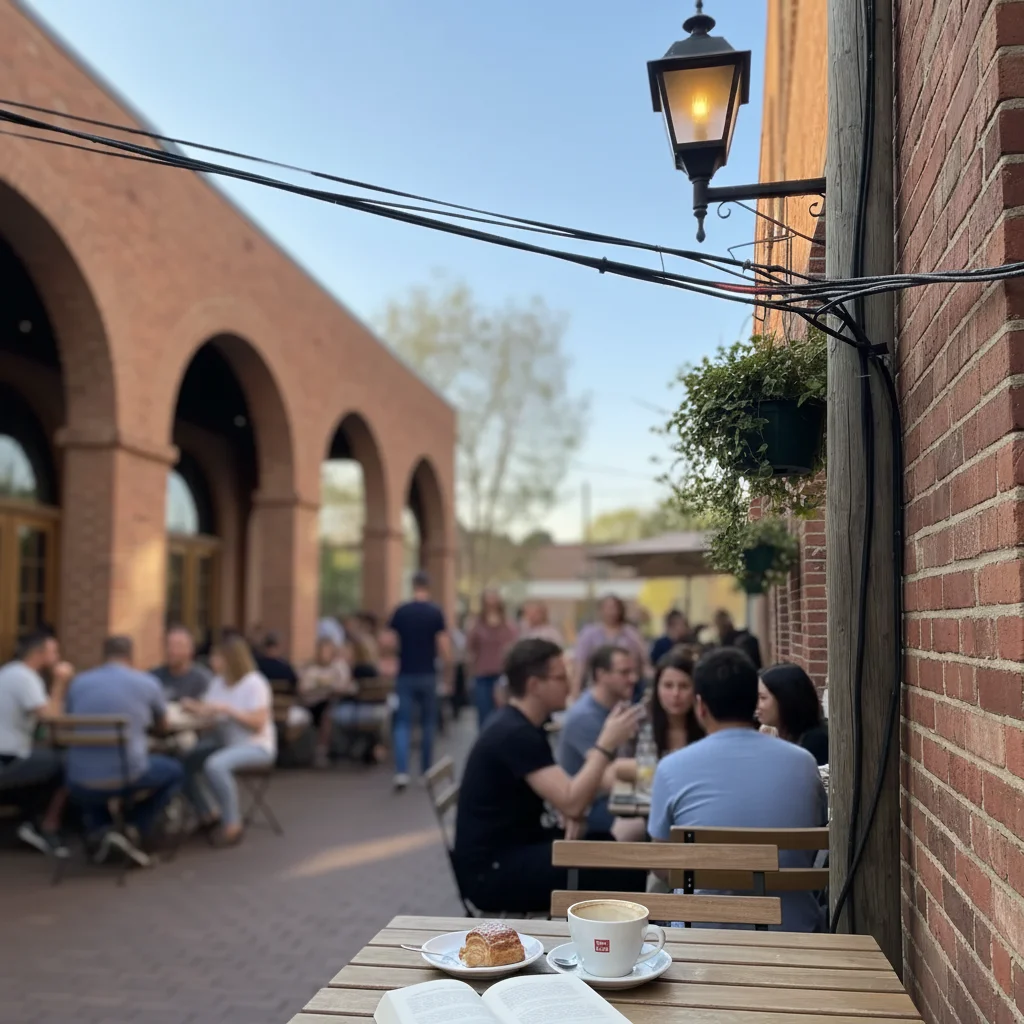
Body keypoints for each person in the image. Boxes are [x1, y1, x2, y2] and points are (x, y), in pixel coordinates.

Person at [453, 638, 646, 913]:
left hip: (516, 851)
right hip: (495, 873)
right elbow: (571, 800)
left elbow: (563, 796)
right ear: (534, 685)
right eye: (560, 677)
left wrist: (569, 808)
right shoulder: (514, 733)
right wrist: (605, 745)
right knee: (624, 867)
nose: (569, 683)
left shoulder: (521, 724)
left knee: (611, 848)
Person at [648, 647, 828, 932]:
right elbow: (811, 843)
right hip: (793, 931)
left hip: (703, 933)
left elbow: (662, 866)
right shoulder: (804, 763)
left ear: (700, 707)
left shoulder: (671, 768)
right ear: (751, 702)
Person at [64, 636, 184, 866]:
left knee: (94, 771)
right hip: (127, 775)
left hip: (78, 780)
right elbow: (163, 725)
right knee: (176, 771)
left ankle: (104, 828)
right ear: (131, 656)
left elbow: (69, 719)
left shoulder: (79, 683)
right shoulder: (147, 683)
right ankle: (135, 824)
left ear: (103, 656)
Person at [181, 635, 276, 845]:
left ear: (230, 659)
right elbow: (210, 710)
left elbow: (258, 723)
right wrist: (193, 708)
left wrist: (228, 710)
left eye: (216, 656)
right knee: (185, 762)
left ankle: (232, 823)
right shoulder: (218, 683)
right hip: (227, 744)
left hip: (256, 746)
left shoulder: (254, 683)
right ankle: (209, 813)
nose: (212, 661)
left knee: (216, 765)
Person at [0, 630, 73, 855]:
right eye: (54, 651)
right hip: (8, 757)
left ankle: (28, 821)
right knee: (67, 763)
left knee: (49, 759)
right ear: (39, 653)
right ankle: (43, 827)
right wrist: (60, 682)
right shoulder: (25, 677)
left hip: (10, 753)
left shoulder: (8, 672)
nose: (58, 656)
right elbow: (50, 717)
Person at [557, 645, 636, 839]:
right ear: (601, 675)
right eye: (624, 672)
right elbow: (609, 779)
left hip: (607, 800)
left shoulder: (617, 708)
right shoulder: (584, 717)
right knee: (641, 824)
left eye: (633, 672)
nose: (633, 678)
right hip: (587, 809)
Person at [388, 571, 449, 790]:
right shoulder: (435, 612)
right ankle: (425, 771)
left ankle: (402, 772)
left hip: (405, 673)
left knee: (402, 723)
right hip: (428, 673)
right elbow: (443, 645)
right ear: (428, 587)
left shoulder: (401, 612)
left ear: (413, 586)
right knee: (428, 723)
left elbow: (388, 641)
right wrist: (449, 672)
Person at [571, 595, 649, 699]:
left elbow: (642, 661)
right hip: (595, 689)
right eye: (607, 608)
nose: (611, 612)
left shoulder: (631, 634)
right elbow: (580, 664)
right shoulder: (589, 634)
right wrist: (575, 692)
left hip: (627, 691)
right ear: (600, 610)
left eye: (614, 608)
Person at [298, 637, 356, 767]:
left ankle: (322, 750)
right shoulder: (310, 668)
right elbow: (304, 689)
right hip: (311, 702)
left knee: (328, 711)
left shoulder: (339, 667)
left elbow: (346, 686)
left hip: (332, 702)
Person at [758, 664, 829, 766]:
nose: (756, 704)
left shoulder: (814, 742)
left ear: (785, 700)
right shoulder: (780, 735)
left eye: (763, 698)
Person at [467, 590, 519, 728]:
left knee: (502, 715)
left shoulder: (508, 625)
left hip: (502, 676)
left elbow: (514, 647)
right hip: (482, 675)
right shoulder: (477, 624)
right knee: (484, 717)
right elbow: (470, 648)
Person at [151, 626, 212, 701]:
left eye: (178, 646)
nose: (172, 651)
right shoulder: (154, 677)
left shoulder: (203, 679)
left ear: (190, 650)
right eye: (168, 645)